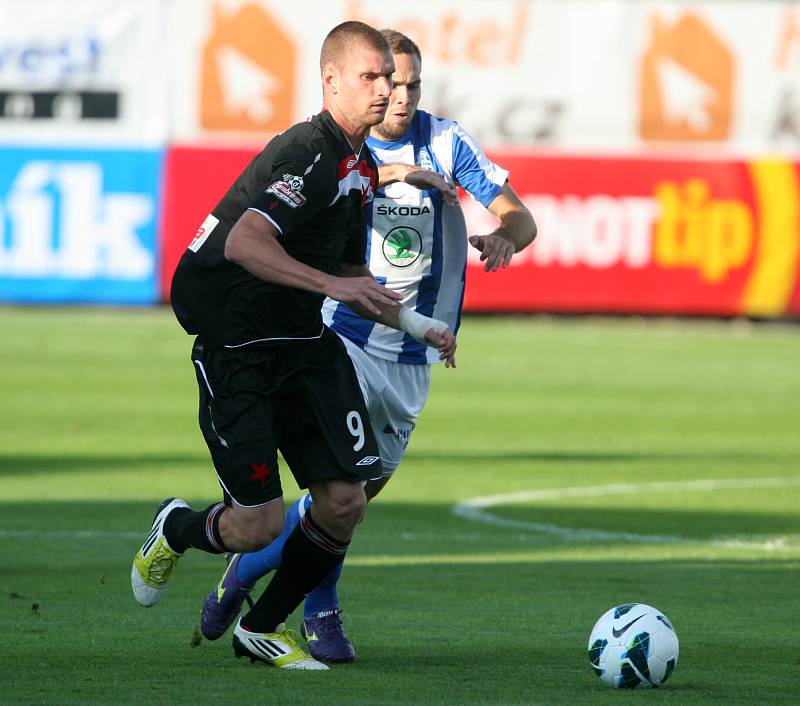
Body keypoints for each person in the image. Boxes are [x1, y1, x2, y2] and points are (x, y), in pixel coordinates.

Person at [197, 29, 537, 663]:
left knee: (351, 503)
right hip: (346, 335)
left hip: (413, 356)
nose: (397, 95)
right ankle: (316, 613)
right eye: (386, 81)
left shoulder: (446, 142)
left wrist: (505, 238)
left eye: (409, 84)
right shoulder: (335, 151)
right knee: (340, 492)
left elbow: (520, 215)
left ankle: (243, 574)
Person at [130, 21, 457, 671]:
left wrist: (419, 326)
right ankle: (176, 529)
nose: (385, 88)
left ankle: (262, 627)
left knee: (345, 502)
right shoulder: (308, 152)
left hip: (306, 344)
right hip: (239, 348)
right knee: (254, 524)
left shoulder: (362, 170)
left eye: (388, 77)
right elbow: (246, 242)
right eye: (370, 76)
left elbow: (354, 278)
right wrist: (331, 282)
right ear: (330, 80)